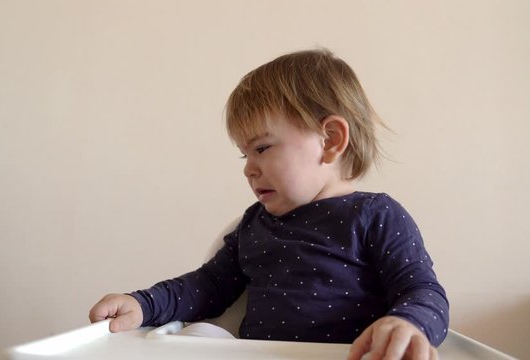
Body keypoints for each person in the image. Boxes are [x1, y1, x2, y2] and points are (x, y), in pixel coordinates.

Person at [89, 48, 449, 360]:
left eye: (261, 148)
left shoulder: (375, 216)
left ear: (331, 140)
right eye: (244, 155)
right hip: (257, 353)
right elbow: (207, 287)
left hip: (345, 353)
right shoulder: (254, 224)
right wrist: (143, 304)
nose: (248, 168)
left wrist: (407, 325)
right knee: (201, 337)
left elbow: (422, 290)